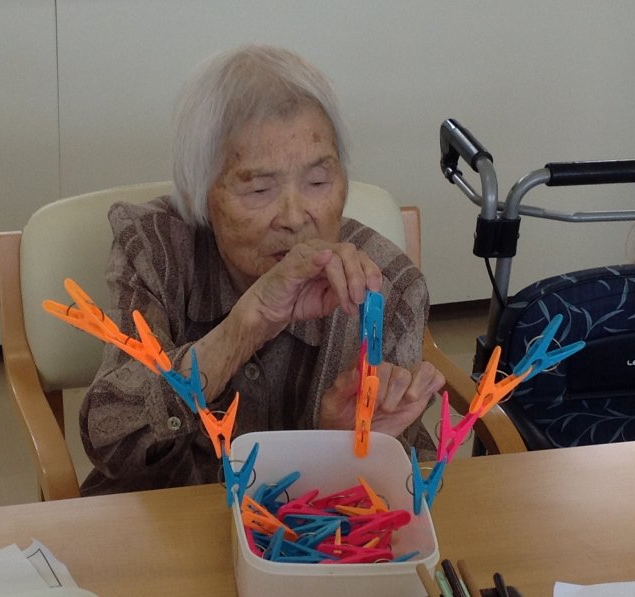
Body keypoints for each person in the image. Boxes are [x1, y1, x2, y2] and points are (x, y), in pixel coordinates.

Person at [79, 44, 445, 495]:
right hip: (165, 513)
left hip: (310, 525)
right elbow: (109, 438)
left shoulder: (387, 285)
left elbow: (400, 489)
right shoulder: (155, 251)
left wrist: (341, 445)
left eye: (318, 182)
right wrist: (242, 330)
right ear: (197, 195)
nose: (294, 217)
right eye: (258, 190)